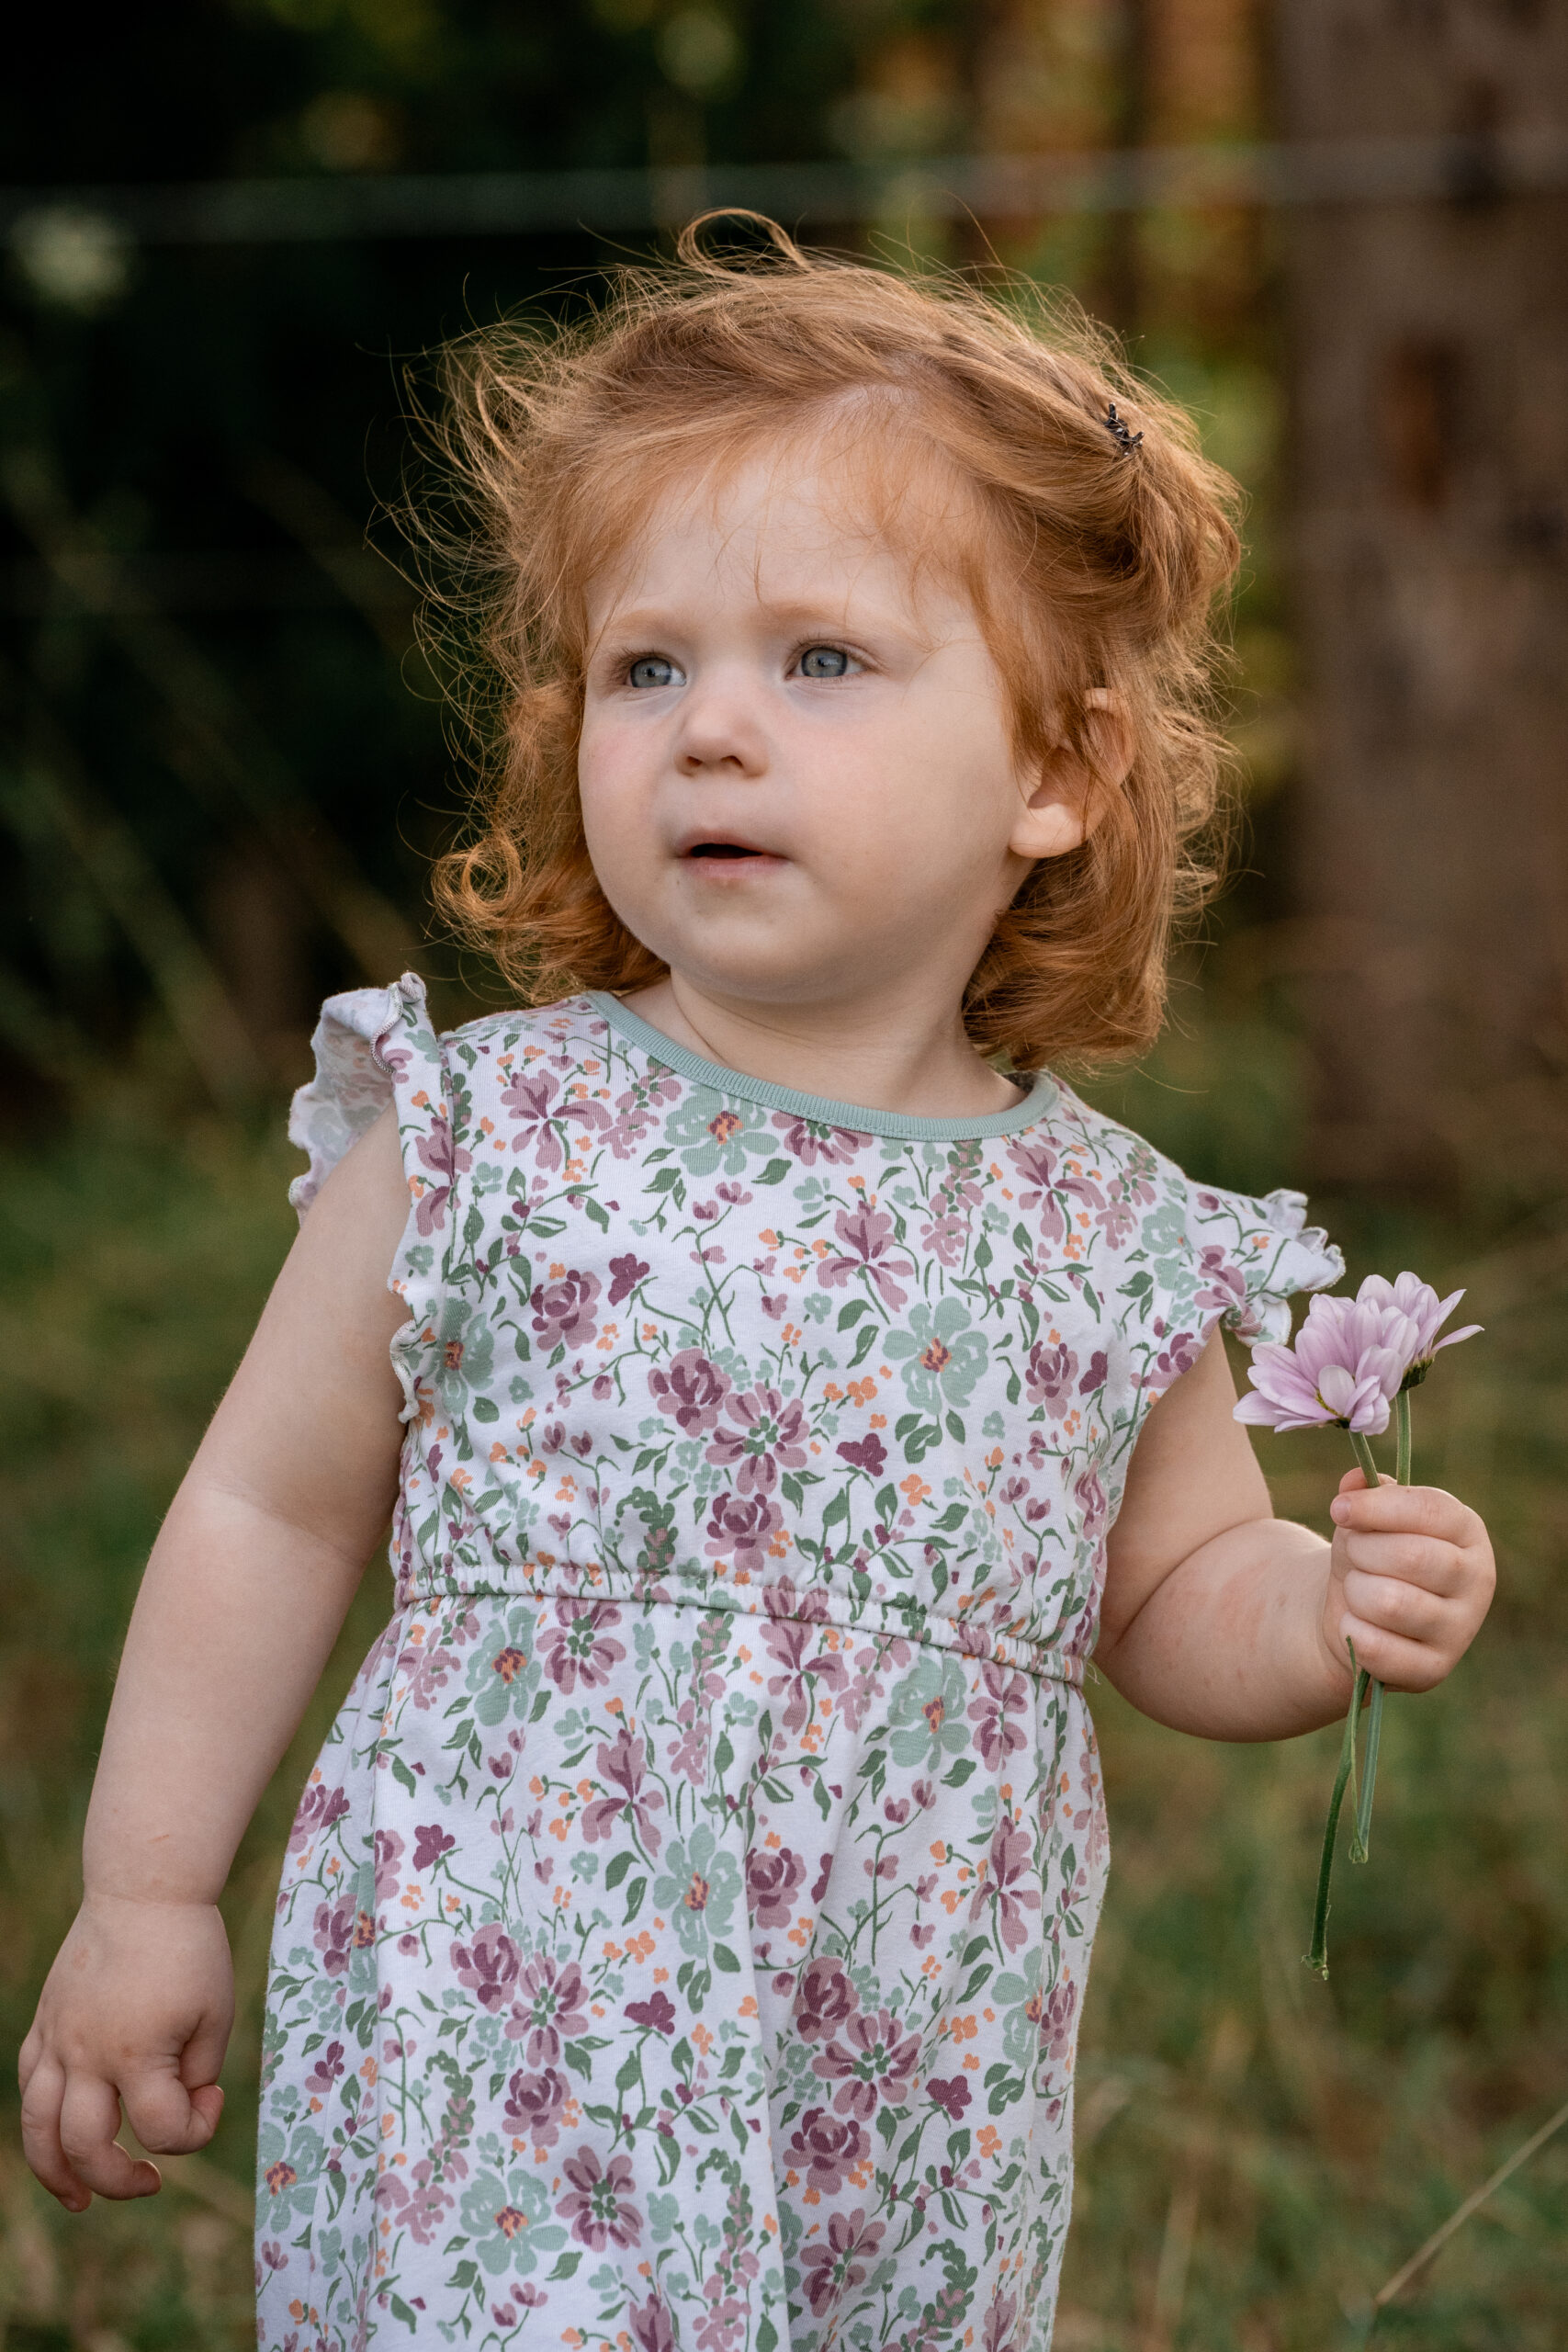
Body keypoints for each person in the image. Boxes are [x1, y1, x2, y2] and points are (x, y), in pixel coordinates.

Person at [19, 220, 1495, 2352]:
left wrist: (1327, 1611)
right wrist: (149, 1889)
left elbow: (1169, 1594)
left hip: (912, 2064)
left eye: (818, 660)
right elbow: (269, 1505)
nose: (710, 727)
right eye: (646, 665)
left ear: (1052, 775)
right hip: (504, 2017)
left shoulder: (1105, 1235)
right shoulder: (482, 1139)